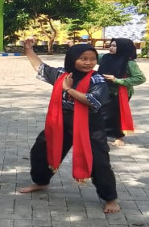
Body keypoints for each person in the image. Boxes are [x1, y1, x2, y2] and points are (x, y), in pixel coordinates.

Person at [18, 41, 120, 213]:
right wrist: (28, 50)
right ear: (72, 59)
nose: (88, 63)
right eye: (83, 59)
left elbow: (92, 101)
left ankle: (110, 199)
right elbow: (40, 67)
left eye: (92, 59)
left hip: (89, 124)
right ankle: (41, 182)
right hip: (61, 120)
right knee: (41, 150)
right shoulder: (62, 74)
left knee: (98, 161)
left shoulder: (97, 79)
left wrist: (68, 89)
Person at [97, 38, 146, 146]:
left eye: (114, 46)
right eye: (110, 45)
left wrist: (117, 80)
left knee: (116, 115)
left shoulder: (129, 63)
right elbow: (93, 56)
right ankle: (102, 134)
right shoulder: (105, 57)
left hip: (120, 93)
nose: (111, 48)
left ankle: (118, 136)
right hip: (104, 90)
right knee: (102, 113)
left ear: (123, 48)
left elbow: (140, 78)